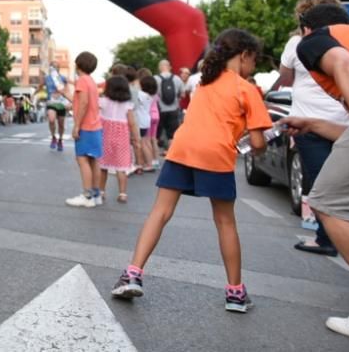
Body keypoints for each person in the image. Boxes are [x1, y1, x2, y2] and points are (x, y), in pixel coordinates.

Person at [111, 29, 271, 313]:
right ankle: (235, 293)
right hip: (216, 154)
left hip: (182, 148)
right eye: (254, 60)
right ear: (244, 56)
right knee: (225, 222)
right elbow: (257, 143)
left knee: (160, 213)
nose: (254, 67)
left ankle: (132, 273)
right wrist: (259, 144)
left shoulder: (204, 84)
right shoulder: (247, 89)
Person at [284, 2, 349, 339]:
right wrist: (313, 122)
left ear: (305, 28)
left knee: (327, 201)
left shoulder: (315, 40)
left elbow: (344, 64)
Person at [272, 0, 349, 257]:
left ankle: (326, 239)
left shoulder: (299, 43)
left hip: (308, 120)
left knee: (321, 186)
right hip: (346, 121)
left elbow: (285, 78)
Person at [65, 52, 104, 207]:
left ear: (78, 64)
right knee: (94, 160)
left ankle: (87, 196)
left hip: (86, 127)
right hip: (96, 126)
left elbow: (83, 103)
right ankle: (96, 194)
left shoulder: (81, 81)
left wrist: (77, 126)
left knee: (82, 160)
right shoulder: (91, 81)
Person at [96, 76, 140, 202]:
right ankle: (122, 193)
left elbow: (95, 116)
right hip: (122, 139)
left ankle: (101, 191)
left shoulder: (103, 102)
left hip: (105, 137)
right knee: (121, 168)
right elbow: (132, 123)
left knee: (103, 166)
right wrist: (136, 139)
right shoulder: (127, 105)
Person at [155, 59, 185, 147]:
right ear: (169, 67)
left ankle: (156, 156)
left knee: (157, 133)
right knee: (172, 134)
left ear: (160, 67)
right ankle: (170, 152)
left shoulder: (155, 79)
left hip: (160, 110)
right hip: (174, 109)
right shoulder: (177, 78)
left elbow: (152, 95)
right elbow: (183, 95)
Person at [139, 75, 161, 172]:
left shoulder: (143, 95)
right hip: (156, 116)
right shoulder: (155, 95)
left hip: (148, 117)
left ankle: (149, 162)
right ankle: (155, 163)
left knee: (146, 141)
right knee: (154, 140)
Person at [45, 66, 69, 151]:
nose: (53, 68)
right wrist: (33, 95)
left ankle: (60, 140)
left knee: (61, 124)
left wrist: (64, 94)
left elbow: (67, 87)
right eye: (52, 66)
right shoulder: (47, 78)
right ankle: (53, 137)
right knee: (51, 120)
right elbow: (40, 86)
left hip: (61, 103)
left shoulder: (62, 78)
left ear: (58, 69)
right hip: (51, 102)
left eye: (55, 66)